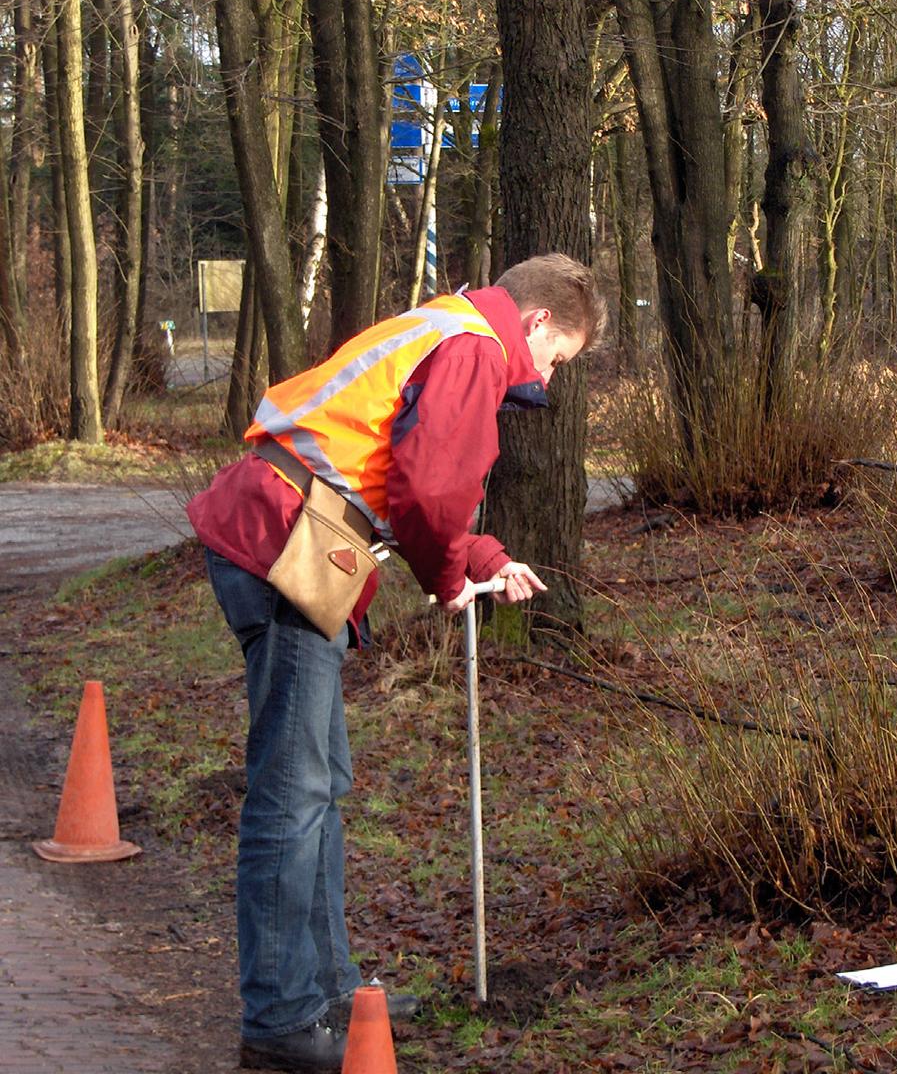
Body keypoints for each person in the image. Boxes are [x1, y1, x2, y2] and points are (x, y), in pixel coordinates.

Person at [187, 253, 606, 1072]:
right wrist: (450, 577)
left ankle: (333, 988)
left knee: (321, 781)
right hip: (288, 541)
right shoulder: (477, 348)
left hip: (291, 531)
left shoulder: (445, 323)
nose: (548, 381)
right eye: (557, 361)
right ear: (538, 324)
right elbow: (428, 490)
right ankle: (278, 1020)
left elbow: (401, 473)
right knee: (294, 791)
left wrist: (483, 555)